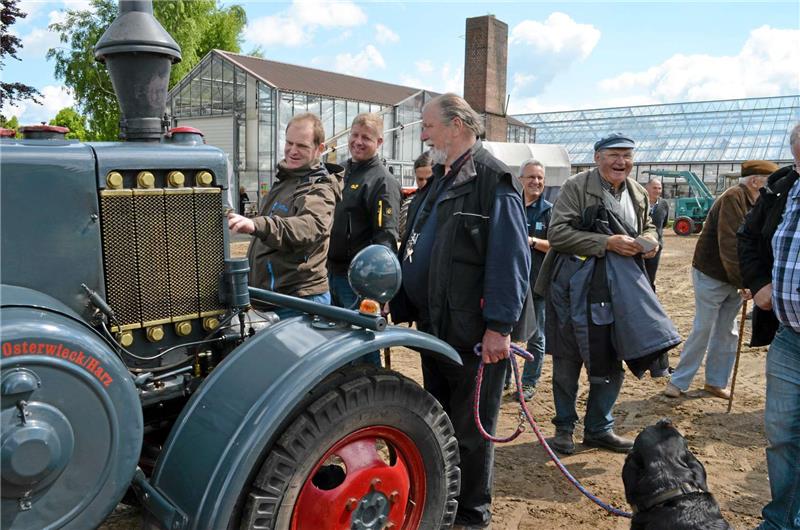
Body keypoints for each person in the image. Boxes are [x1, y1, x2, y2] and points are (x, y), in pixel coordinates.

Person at [390, 93, 530, 529]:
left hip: (475, 336)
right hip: (438, 329)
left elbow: (511, 260)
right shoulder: (441, 179)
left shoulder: (492, 179)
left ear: (457, 126)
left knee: (471, 432)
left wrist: (500, 329)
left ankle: (471, 516)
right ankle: (447, 503)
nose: (424, 133)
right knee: (442, 423)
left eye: (429, 125)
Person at [537, 132, 661, 455]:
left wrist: (649, 241)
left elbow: (647, 226)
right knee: (567, 361)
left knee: (610, 358)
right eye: (613, 155)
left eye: (627, 156)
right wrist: (606, 243)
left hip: (617, 290)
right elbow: (558, 233)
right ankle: (564, 428)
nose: (621, 162)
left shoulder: (637, 193)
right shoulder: (576, 188)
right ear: (597, 158)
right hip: (572, 288)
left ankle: (598, 428)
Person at [663, 159, 777, 400]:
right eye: (769, 182)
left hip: (735, 278)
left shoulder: (762, 203)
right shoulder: (733, 197)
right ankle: (679, 381)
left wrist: (753, 280)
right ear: (755, 181)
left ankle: (715, 382)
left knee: (728, 331)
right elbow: (731, 244)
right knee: (703, 327)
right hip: (712, 274)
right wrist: (747, 282)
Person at [738, 124, 800, 530]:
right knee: (781, 433)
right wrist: (760, 284)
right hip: (789, 337)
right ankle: (780, 520)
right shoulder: (783, 188)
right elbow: (748, 237)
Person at [227, 113, 343, 319]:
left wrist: (258, 225)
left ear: (320, 149)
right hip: (273, 298)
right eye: (289, 143)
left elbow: (309, 226)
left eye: (302, 146)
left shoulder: (319, 188)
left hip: (299, 301)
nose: (293, 151)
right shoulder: (286, 179)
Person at [328, 113, 401, 365]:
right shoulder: (341, 174)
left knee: (361, 349)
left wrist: (380, 290)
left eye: (366, 138)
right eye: (355, 135)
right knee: (335, 346)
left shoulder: (382, 182)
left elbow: (386, 240)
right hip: (329, 274)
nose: (358, 142)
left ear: (379, 142)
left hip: (358, 283)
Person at [514, 159, 552, 401]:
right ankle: (505, 377)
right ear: (521, 180)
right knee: (505, 331)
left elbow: (558, 245)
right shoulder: (512, 205)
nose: (535, 182)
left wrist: (531, 241)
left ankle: (528, 383)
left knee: (536, 336)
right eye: (531, 177)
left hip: (536, 283)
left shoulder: (549, 211)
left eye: (539, 178)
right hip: (512, 281)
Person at [644, 178, 669, 289]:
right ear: (647, 188)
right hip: (639, 244)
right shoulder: (639, 202)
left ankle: (650, 299)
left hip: (656, 245)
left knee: (651, 275)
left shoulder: (664, 204)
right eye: (654, 188)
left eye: (659, 188)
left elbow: (663, 224)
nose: (657, 190)